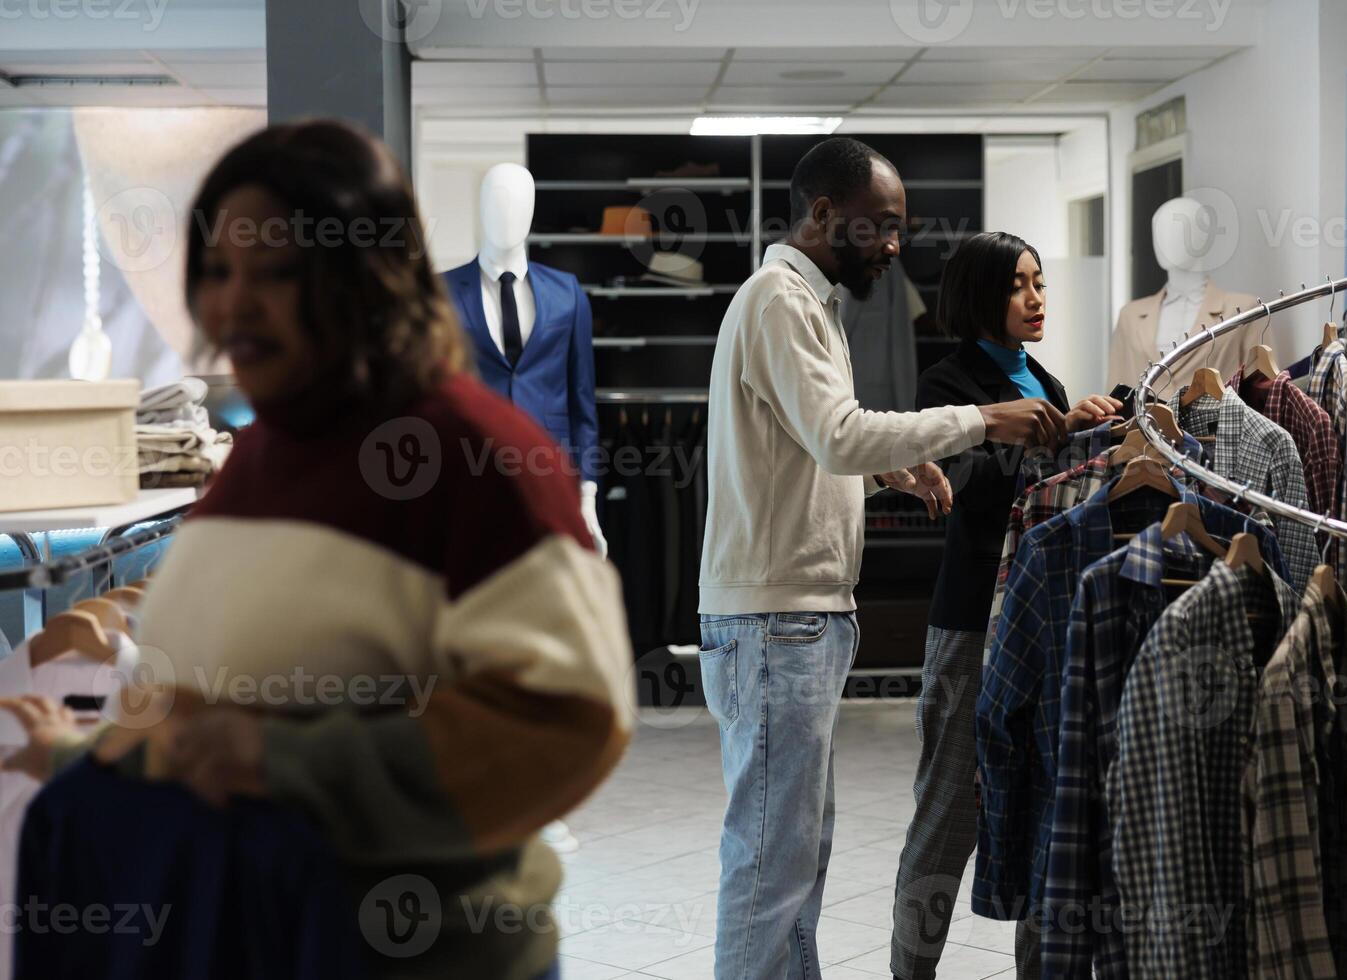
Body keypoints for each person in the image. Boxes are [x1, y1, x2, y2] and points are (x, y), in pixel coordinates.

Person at [1, 120, 632, 980]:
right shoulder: (261, 459)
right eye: (219, 271)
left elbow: (569, 718)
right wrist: (86, 762)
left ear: (362, 279)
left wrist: (284, 762)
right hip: (259, 933)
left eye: (275, 272)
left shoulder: (472, 454)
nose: (231, 304)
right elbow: (209, 725)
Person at [697, 137, 1068, 980]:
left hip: (799, 619)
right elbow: (838, 434)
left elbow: (802, 458)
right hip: (775, 620)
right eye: (883, 227)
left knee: (795, 857)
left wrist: (892, 471)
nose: (897, 245)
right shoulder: (780, 302)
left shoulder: (810, 306)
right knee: (771, 862)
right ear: (825, 215)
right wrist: (985, 420)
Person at [889, 232, 1121, 980]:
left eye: (1041, 283)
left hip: (1038, 616)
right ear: (981, 295)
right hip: (968, 621)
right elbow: (963, 492)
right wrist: (1018, 432)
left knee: (1039, 802)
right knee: (948, 810)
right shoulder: (946, 381)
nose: (1035, 298)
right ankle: (910, 971)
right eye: (1018, 285)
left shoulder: (1047, 384)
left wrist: (1077, 429)